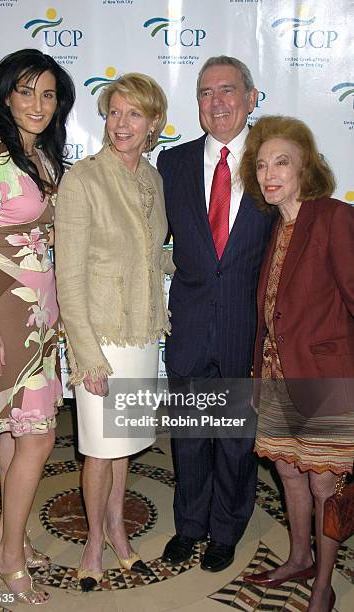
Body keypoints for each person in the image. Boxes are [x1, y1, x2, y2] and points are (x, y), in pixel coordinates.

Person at [0, 48, 75, 604]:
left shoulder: (41, 153)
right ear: (4, 94)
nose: (37, 104)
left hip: (41, 310)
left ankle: (9, 529)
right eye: (26, 91)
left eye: (47, 94)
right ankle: (8, 557)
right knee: (39, 435)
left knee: (15, 432)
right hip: (5, 307)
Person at [55, 72, 174, 592]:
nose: (120, 123)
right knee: (100, 448)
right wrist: (88, 355)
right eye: (113, 112)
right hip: (101, 338)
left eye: (133, 114)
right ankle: (94, 545)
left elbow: (153, 252)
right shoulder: (83, 179)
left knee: (123, 445)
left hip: (143, 331)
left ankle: (119, 530)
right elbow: (69, 275)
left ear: (153, 124)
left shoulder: (153, 179)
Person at [157, 56, 275, 571]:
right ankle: (189, 526)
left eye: (228, 90)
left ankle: (226, 529)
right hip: (188, 324)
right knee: (189, 437)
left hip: (245, 329)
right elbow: (153, 241)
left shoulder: (272, 161)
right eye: (206, 92)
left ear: (252, 98)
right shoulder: (172, 164)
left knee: (234, 441)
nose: (217, 101)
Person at [239, 115, 354, 612]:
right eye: (262, 164)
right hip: (276, 376)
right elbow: (272, 312)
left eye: (281, 162)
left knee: (325, 481)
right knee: (288, 474)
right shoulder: (277, 226)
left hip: (326, 378)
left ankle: (323, 583)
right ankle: (299, 557)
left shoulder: (333, 216)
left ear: (304, 166)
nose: (270, 173)